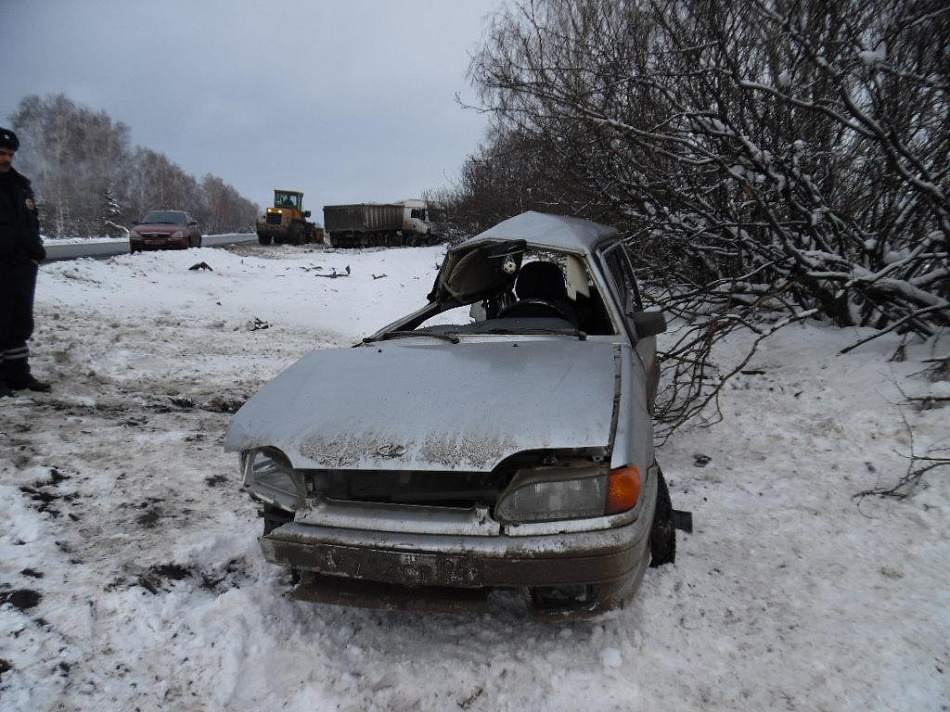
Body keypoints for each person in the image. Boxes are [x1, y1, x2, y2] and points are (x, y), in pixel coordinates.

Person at [0, 127, 50, 396]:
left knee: (20, 322)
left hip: (21, 266)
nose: (6, 159)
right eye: (1, 153)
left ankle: (17, 374)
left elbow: (31, 223)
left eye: (9, 154)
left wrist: (35, 253)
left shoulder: (21, 186)